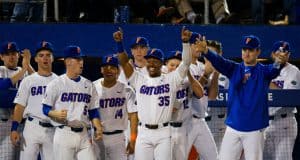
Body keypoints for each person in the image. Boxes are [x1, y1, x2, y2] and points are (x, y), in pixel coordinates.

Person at [198, 34, 284, 160]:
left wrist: (278, 62)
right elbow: (219, 61)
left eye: (250, 50)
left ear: (258, 51)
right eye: (244, 49)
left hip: (255, 129)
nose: (246, 53)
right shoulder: (234, 69)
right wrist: (206, 51)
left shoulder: (264, 71)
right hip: (233, 127)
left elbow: (274, 70)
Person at [113, 26, 192, 160]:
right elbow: (124, 62)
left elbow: (186, 63)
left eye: (155, 61)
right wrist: (119, 44)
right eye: (149, 61)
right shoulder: (139, 78)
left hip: (164, 132)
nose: (152, 64)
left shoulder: (171, 79)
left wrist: (185, 43)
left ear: (162, 64)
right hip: (143, 132)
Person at [42, 45, 102, 160]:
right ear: (68, 62)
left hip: (84, 134)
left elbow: (93, 111)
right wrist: (53, 113)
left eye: (81, 59)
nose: (81, 62)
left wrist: (97, 126)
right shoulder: (56, 84)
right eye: (78, 59)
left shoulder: (89, 84)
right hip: (64, 133)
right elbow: (45, 108)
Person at [10, 41, 57, 160]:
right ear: (36, 59)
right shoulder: (28, 80)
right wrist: (14, 128)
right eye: (41, 56)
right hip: (32, 127)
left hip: (52, 129)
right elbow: (19, 106)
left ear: (52, 58)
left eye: (48, 55)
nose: (45, 58)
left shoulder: (59, 81)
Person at [93, 55, 138, 160]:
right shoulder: (93, 87)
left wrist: (133, 140)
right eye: (105, 67)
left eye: (112, 67)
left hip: (118, 138)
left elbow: (133, 116)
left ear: (118, 70)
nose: (108, 70)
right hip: (98, 136)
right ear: (101, 70)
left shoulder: (127, 90)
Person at [164, 50, 204, 160]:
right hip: (166, 129)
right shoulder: (162, 82)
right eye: (172, 65)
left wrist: (189, 75)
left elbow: (200, 94)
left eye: (178, 66)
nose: (175, 68)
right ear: (166, 65)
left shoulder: (187, 81)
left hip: (183, 129)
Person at [263, 41, 299, 160]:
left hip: (284, 122)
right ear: (272, 54)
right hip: (264, 123)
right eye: (279, 52)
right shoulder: (265, 70)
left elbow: (287, 98)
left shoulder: (294, 71)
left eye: (285, 52)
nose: (282, 54)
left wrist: (266, 81)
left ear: (289, 55)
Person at [187, 32, 219, 160]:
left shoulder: (203, 66)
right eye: (195, 45)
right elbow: (192, 93)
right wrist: (206, 74)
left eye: (200, 45)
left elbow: (212, 96)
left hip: (200, 120)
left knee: (213, 157)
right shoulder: (182, 66)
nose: (198, 48)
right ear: (188, 46)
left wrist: (215, 73)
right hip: (184, 121)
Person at [0, 41, 34, 160]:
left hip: (23, 124)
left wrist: (28, 66)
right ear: (1, 56)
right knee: (6, 157)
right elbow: (3, 86)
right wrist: (24, 70)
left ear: (18, 55)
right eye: (7, 54)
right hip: (4, 123)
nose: (11, 56)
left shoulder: (24, 70)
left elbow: (39, 83)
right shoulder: (1, 69)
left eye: (14, 53)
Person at [205, 40, 229, 152]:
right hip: (203, 126)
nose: (209, 56)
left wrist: (215, 72)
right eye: (206, 53)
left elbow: (214, 96)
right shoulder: (198, 69)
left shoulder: (227, 72)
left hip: (220, 126)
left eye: (212, 53)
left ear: (219, 55)